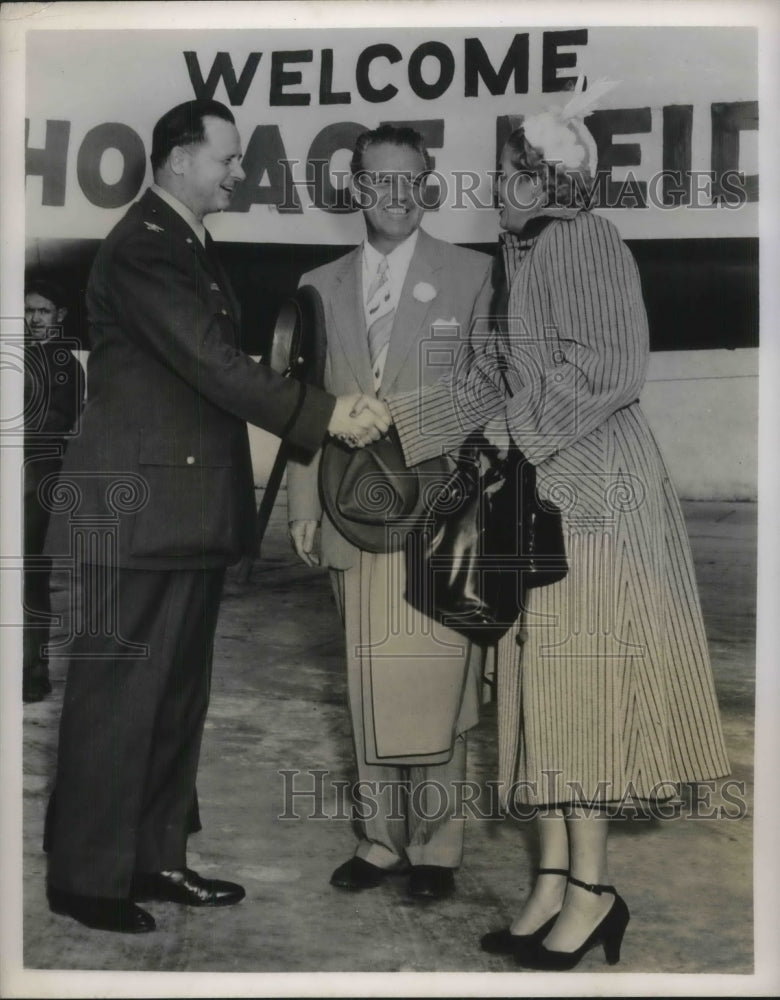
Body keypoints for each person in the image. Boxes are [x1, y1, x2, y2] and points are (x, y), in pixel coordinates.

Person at [386, 101, 730, 967]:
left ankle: (593, 892)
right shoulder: (524, 253)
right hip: (543, 500)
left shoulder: (583, 239)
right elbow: (489, 378)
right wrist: (389, 425)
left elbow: (611, 366)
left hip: (596, 499)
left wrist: (512, 430)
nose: (493, 187)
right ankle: (549, 879)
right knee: (539, 695)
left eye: (505, 174)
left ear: (540, 182)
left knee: (582, 700)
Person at [42, 99, 389, 935]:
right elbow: (211, 361)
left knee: (174, 698)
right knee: (117, 700)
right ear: (177, 159)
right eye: (227, 160)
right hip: (132, 516)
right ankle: (87, 881)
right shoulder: (144, 248)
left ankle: (157, 859)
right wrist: (326, 414)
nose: (238, 174)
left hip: (180, 514)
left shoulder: (184, 244)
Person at [286, 125, 492, 900]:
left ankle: (438, 848)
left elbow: (487, 392)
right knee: (368, 674)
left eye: (411, 181)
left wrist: (402, 416)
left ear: (428, 185)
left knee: (440, 683)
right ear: (356, 188)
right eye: (380, 182)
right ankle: (381, 842)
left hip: (438, 516)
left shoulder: (472, 276)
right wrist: (302, 506)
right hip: (347, 511)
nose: (396, 196)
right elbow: (303, 406)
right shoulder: (318, 283)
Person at [22, 277, 85, 702]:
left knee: (30, 577)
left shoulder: (67, 364)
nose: (34, 319)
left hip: (38, 481)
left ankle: (32, 671)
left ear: (60, 316)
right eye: (29, 310)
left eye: (43, 311)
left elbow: (57, 421)